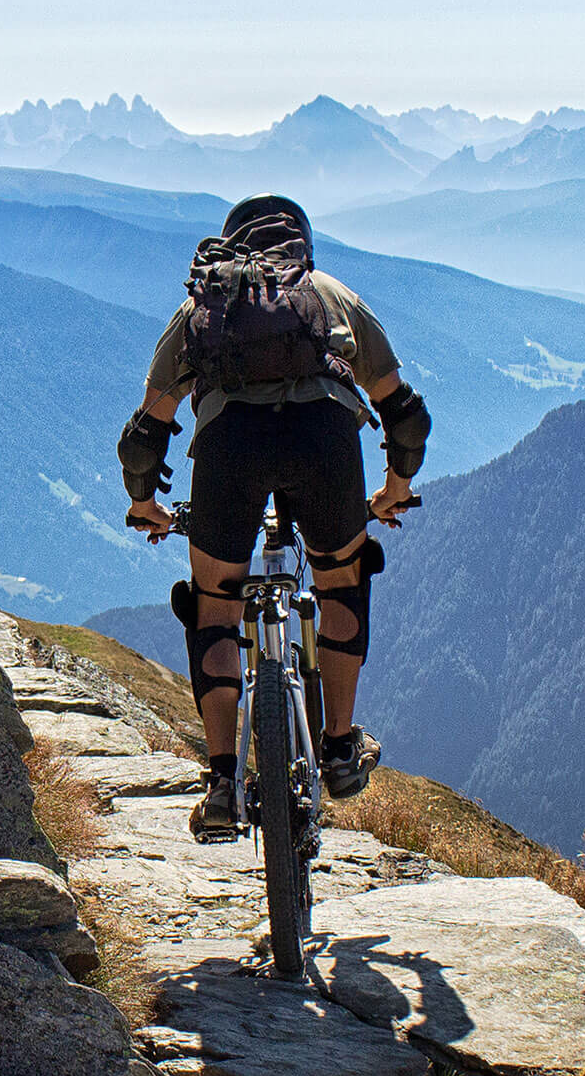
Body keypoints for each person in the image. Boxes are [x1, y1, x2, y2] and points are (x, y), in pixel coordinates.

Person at [117, 193, 429, 835]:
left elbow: (147, 429)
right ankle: (339, 748)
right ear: (301, 246)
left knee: (215, 604)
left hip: (231, 446)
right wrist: (395, 487)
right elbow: (406, 413)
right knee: (341, 577)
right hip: (325, 442)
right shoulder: (330, 294)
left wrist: (144, 502)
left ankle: (223, 784)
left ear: (231, 244)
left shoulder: (204, 305)